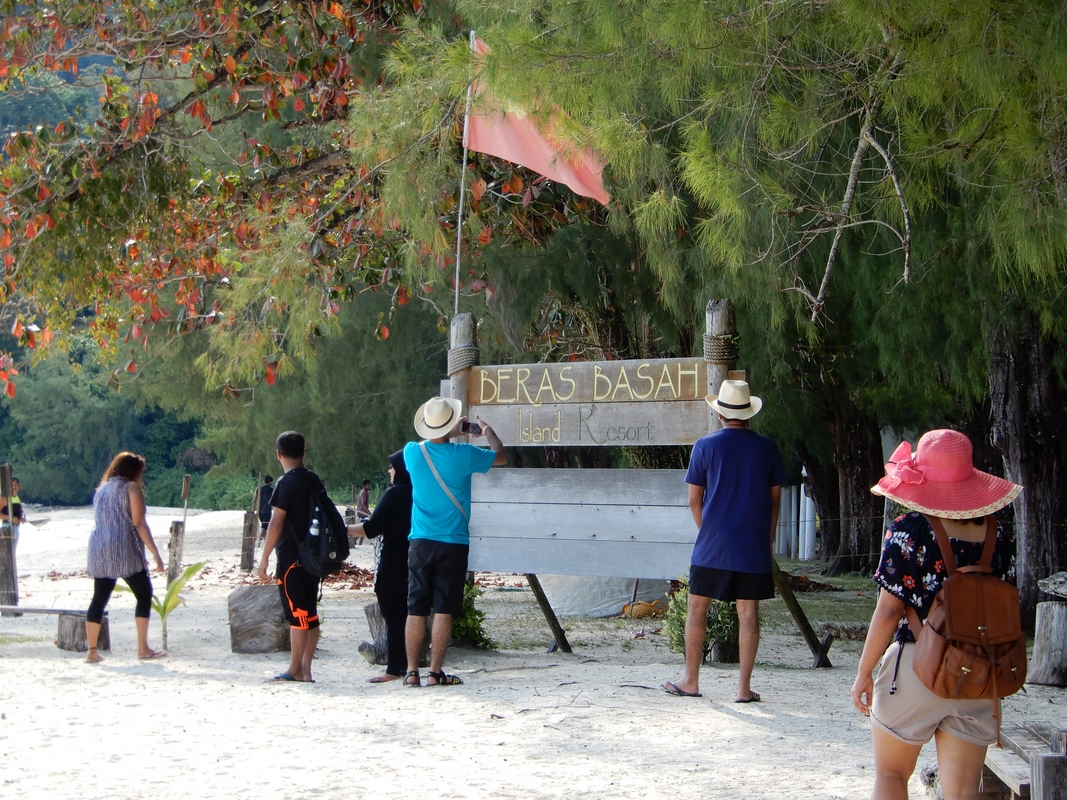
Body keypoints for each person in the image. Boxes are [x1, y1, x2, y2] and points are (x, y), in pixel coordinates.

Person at [851, 429, 1022, 800]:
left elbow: (888, 610)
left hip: (917, 668)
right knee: (963, 791)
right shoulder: (1000, 536)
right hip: (977, 671)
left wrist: (864, 672)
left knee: (892, 774)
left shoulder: (908, 531)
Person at [663, 379, 786, 702]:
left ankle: (691, 679)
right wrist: (767, 539)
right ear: (749, 415)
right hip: (752, 546)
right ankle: (743, 688)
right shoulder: (768, 448)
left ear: (719, 414)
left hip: (712, 545)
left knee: (696, 609)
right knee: (748, 615)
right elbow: (775, 501)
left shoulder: (704, 446)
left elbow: (694, 501)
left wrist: (709, 530)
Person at [401, 396, 506, 687]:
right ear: (453, 423)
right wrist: (485, 430)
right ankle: (435, 673)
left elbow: (419, 447)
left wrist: (447, 432)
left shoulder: (412, 453)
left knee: (415, 607)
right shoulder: (464, 454)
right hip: (453, 541)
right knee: (444, 607)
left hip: (420, 541)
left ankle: (411, 672)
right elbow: (500, 455)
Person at [257, 431, 328, 683]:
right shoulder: (314, 479)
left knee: (297, 614)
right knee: (310, 613)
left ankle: (294, 669)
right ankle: (306, 669)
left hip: (291, 559)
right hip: (314, 557)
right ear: (304, 453)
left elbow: (276, 521)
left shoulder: (285, 483)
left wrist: (264, 557)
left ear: (278, 454)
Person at [84, 453, 167, 663]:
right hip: (124, 547)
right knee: (144, 593)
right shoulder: (131, 488)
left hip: (99, 546)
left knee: (99, 598)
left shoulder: (101, 490)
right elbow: (139, 523)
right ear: (133, 471)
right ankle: (142, 648)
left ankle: (92, 651)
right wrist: (155, 553)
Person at [348, 450, 412, 682]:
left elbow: (372, 528)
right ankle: (408, 665)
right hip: (416, 562)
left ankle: (395, 668)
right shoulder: (421, 492)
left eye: (392, 467)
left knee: (393, 617)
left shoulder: (394, 494)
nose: (389, 470)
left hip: (393, 563)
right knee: (409, 615)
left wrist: (342, 528)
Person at [0, 476, 27, 549]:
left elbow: (18, 513)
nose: (14, 487)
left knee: (12, 555)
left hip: (16, 528)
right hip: (6, 528)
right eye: (12, 485)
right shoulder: (5, 498)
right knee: (7, 554)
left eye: (16, 485)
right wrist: (10, 518)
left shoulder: (17, 498)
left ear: (19, 486)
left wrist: (21, 518)